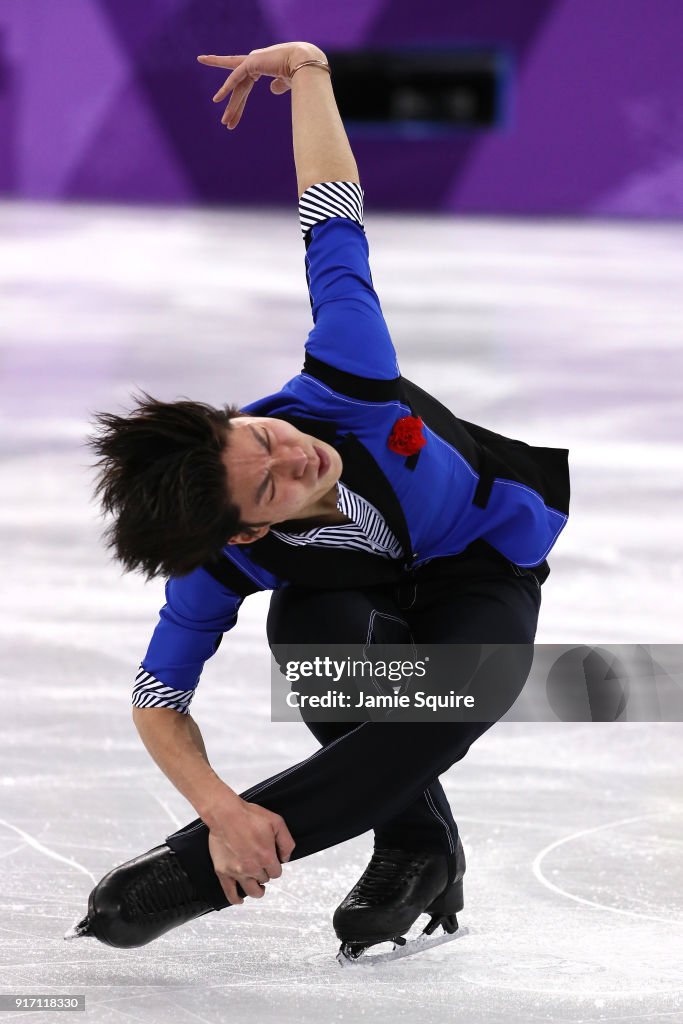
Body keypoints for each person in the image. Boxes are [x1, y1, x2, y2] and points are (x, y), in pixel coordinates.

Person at [66, 40, 570, 961]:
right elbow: (154, 694)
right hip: (357, 599)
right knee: (303, 631)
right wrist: (220, 804)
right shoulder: (225, 556)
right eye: (268, 482)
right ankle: (419, 846)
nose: (289, 452)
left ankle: (190, 875)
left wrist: (309, 72)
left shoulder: (346, 375)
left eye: (257, 435)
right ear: (251, 526)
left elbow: (331, 218)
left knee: (458, 692)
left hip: (482, 565)